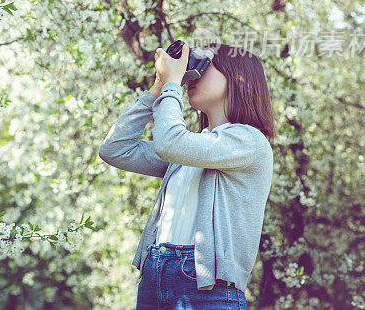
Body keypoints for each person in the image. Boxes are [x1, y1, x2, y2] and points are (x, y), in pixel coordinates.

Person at [98, 42, 275, 309]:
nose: (193, 76)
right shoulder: (194, 147)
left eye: (204, 66)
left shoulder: (249, 141)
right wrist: (156, 91)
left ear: (237, 77)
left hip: (207, 287)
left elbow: (170, 142)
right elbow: (115, 148)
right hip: (156, 275)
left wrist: (171, 85)